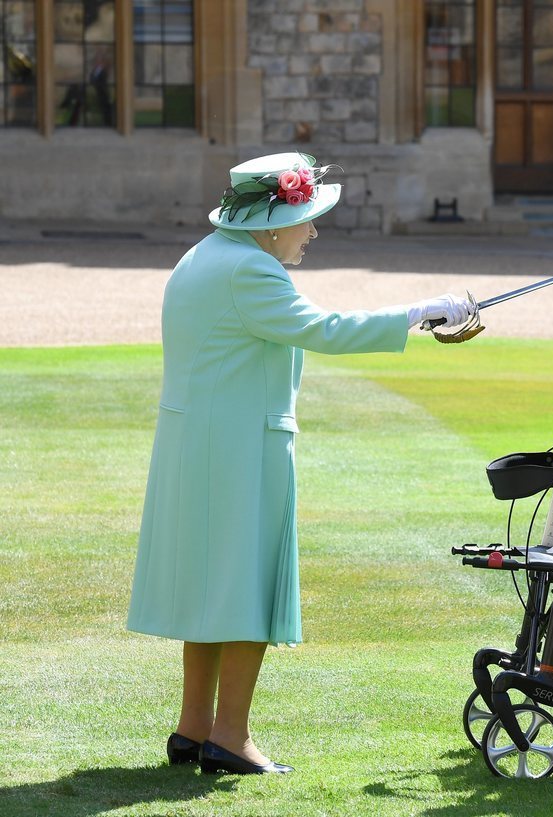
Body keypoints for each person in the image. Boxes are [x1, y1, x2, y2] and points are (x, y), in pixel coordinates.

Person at [127, 152, 474, 775]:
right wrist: (424, 310)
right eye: (306, 218)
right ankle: (229, 738)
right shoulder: (252, 270)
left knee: (214, 587)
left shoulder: (206, 254)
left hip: (199, 446)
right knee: (247, 590)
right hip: (238, 451)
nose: (312, 231)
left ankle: (194, 729)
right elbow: (326, 328)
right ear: (270, 221)